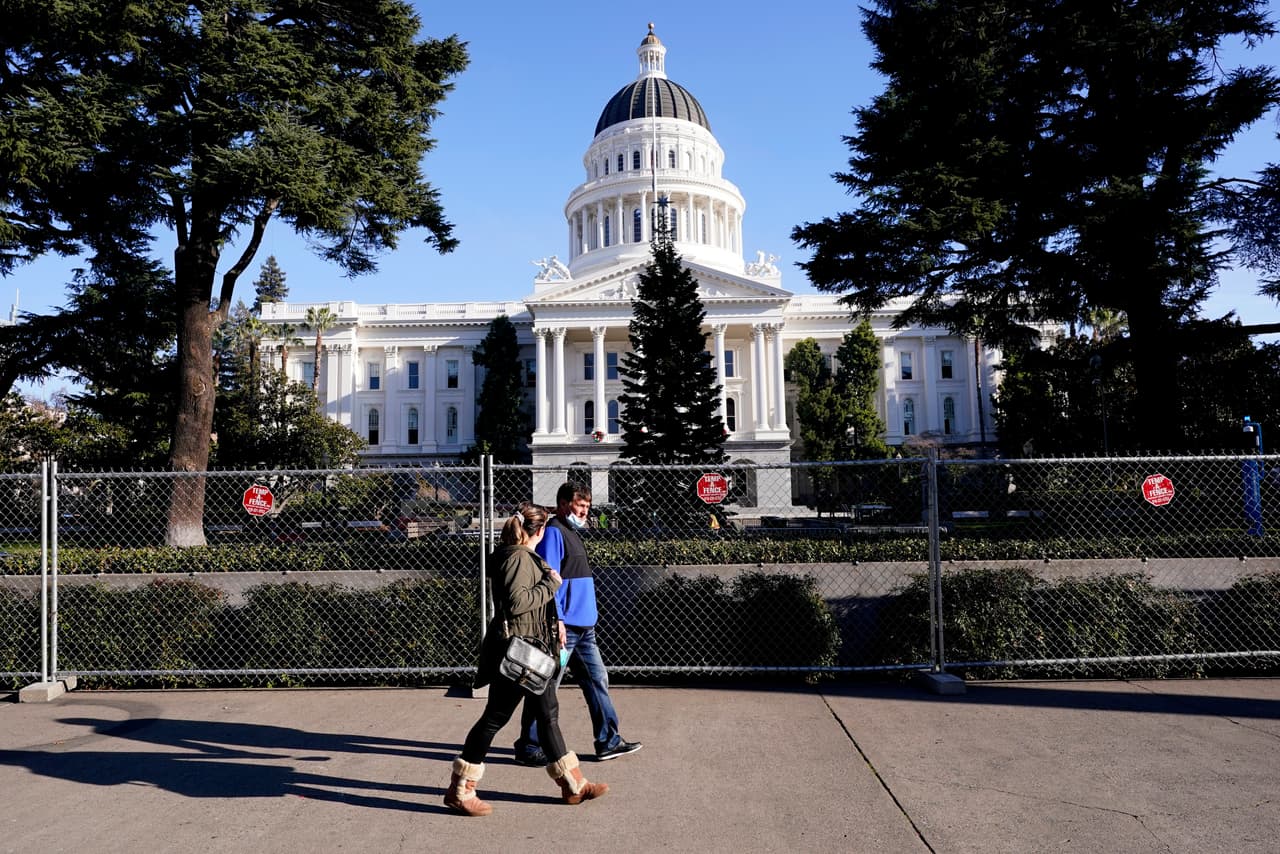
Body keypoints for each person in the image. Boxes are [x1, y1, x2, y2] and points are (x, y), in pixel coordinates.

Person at [444, 501, 607, 816]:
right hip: (520, 654)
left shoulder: (519, 555)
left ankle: (574, 785)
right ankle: (460, 790)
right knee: (495, 718)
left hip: (532, 650)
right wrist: (550, 583)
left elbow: (531, 605)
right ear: (540, 530)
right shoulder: (518, 558)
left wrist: (555, 621)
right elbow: (520, 603)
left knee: (547, 716)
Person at [514, 482, 642, 766]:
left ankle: (608, 741)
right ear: (562, 504)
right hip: (565, 629)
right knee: (545, 686)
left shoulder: (571, 532)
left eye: (586, 506)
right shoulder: (556, 534)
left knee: (597, 681)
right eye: (579, 505)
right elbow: (550, 580)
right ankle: (529, 745)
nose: (584, 511)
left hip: (584, 628)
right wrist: (557, 619)